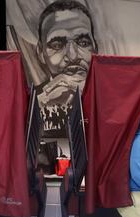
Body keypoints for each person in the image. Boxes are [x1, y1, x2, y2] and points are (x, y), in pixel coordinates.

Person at [36, 0, 98, 135]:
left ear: (95, 48)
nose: (72, 55)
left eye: (83, 42)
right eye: (57, 45)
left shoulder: (114, 99)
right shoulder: (31, 102)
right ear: (41, 53)